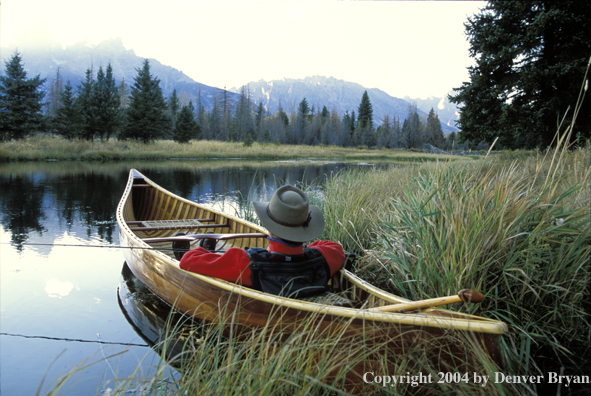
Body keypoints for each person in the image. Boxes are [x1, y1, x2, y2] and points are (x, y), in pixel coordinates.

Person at [179, 185, 345, 298]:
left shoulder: (244, 263)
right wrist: (305, 251)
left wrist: (201, 251)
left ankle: (201, 251)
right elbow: (335, 248)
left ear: (269, 228)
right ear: (303, 231)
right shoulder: (323, 259)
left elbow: (189, 260)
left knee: (189, 256)